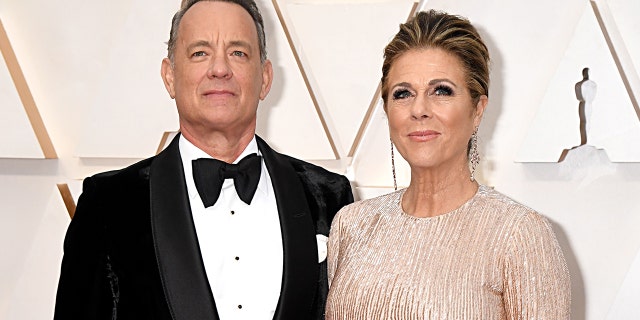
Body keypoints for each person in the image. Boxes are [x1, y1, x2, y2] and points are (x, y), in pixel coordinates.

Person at [53, 0, 353, 319]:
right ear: (169, 76)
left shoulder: (329, 198)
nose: (220, 69)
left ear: (265, 78)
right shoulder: (108, 203)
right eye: (200, 53)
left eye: (238, 52)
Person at [325, 9, 570, 319]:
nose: (419, 109)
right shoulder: (351, 225)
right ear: (387, 111)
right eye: (403, 94)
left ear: (477, 109)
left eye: (441, 91)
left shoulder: (519, 234)